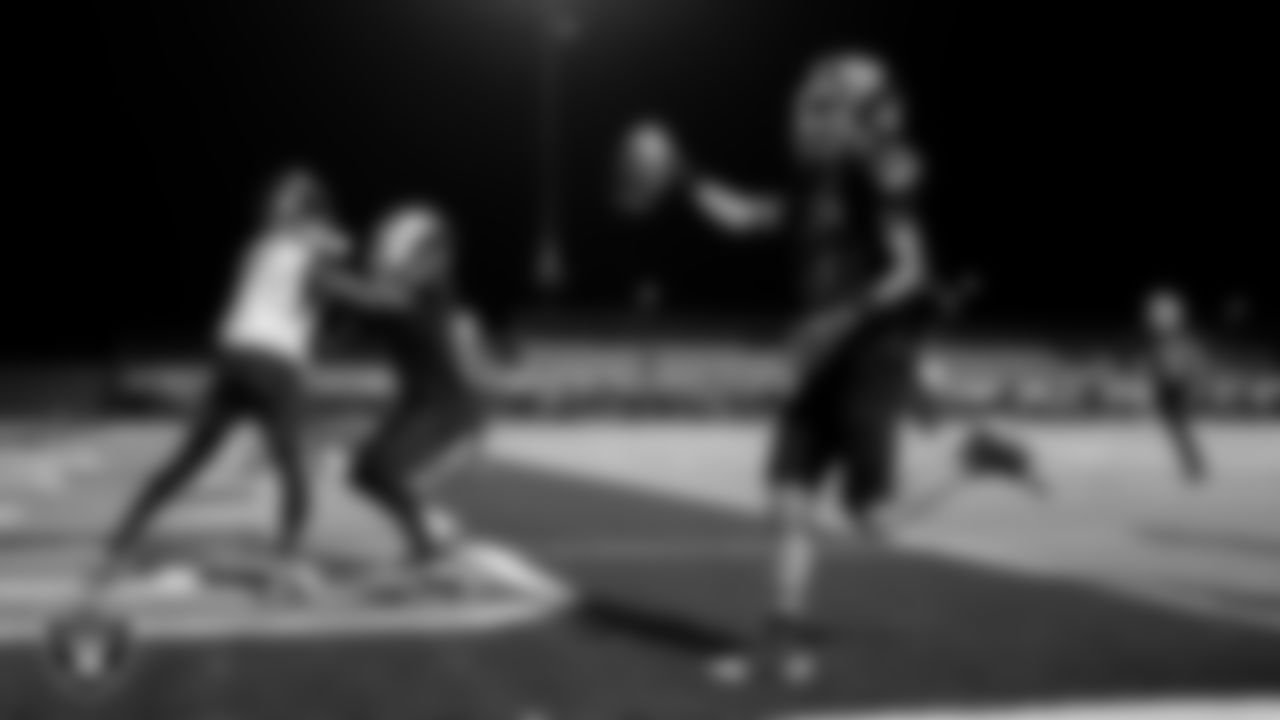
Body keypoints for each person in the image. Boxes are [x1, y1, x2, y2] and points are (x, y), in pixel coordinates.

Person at [619, 50, 933, 686]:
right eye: (804, 108)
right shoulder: (809, 187)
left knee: (873, 520)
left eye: (819, 109)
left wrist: (837, 319)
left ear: (849, 119)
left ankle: (977, 460)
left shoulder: (869, 177)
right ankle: (782, 634)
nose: (802, 120)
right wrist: (683, 174)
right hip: (821, 361)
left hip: (869, 358)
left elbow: (911, 270)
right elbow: (742, 218)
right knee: (788, 498)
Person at [99, 168, 350, 591]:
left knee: (192, 458)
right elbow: (322, 289)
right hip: (270, 362)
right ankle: (288, 559)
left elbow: (309, 286)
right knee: (290, 464)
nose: (274, 205)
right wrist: (343, 281)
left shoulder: (269, 245)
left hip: (238, 357)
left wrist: (327, 258)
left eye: (283, 199)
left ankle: (121, 542)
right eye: (279, 198)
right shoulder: (306, 246)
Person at [312, 203, 492, 581]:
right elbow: (348, 325)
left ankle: (429, 544)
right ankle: (427, 538)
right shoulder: (405, 295)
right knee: (365, 472)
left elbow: (358, 293)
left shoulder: (426, 294)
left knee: (382, 470)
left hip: (447, 409)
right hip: (420, 405)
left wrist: (318, 264)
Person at [1143, 288, 1209, 482]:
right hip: (1169, 387)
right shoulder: (1162, 343)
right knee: (1177, 428)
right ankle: (1193, 465)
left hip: (1175, 387)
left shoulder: (1177, 342)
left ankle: (1194, 466)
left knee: (1179, 427)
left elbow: (1181, 365)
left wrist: (1187, 382)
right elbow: (1159, 367)